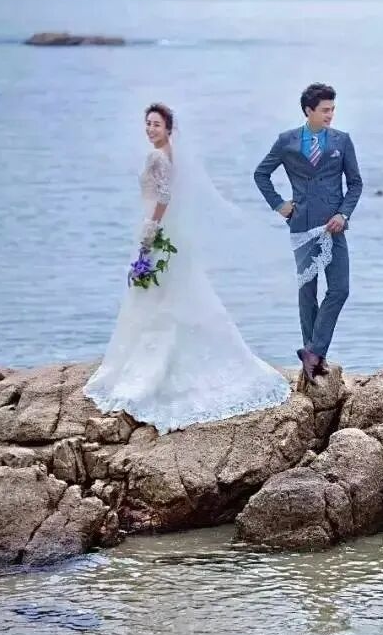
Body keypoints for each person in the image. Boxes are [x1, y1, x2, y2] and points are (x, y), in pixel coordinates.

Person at [84, 103, 291, 433]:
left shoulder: (157, 157)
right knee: (176, 291)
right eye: (147, 123)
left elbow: (164, 196)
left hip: (159, 230)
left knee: (157, 293)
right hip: (173, 233)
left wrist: (151, 229)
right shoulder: (172, 155)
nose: (150, 129)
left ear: (168, 128)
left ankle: (155, 365)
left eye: (156, 124)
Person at [253, 82, 362, 383]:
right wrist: (280, 205)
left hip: (333, 226)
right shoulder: (286, 141)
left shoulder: (342, 141)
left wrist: (343, 213)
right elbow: (261, 174)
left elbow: (355, 183)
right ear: (308, 110)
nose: (330, 115)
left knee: (339, 289)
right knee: (307, 292)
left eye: (333, 109)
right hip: (301, 224)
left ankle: (313, 350)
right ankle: (313, 360)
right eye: (325, 110)